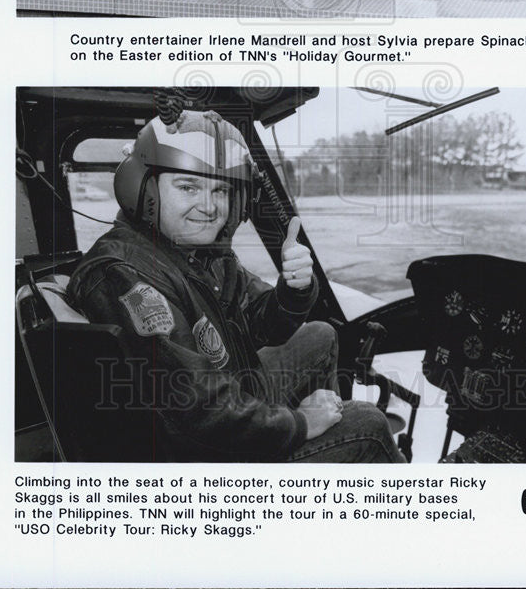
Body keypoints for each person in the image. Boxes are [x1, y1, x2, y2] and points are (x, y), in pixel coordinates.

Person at [67, 103, 403, 464]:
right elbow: (197, 414)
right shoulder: (128, 276)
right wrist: (300, 424)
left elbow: (265, 325)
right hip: (203, 451)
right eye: (188, 187)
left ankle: (328, 432)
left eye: (221, 191)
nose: (209, 206)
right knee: (367, 422)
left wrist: (294, 288)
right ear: (143, 190)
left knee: (320, 335)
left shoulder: (200, 254)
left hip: (231, 391)